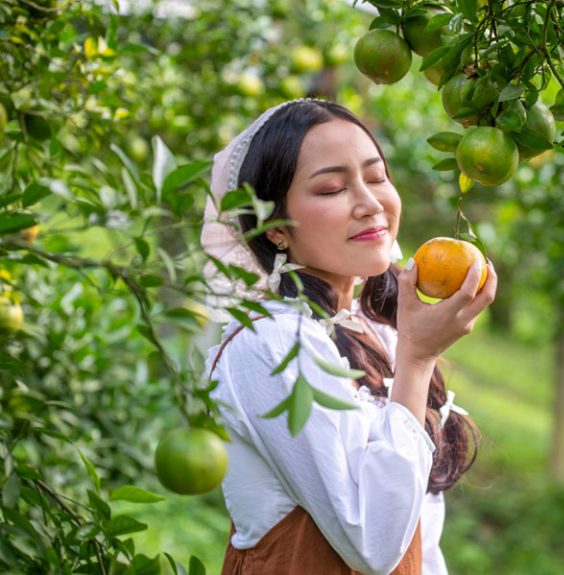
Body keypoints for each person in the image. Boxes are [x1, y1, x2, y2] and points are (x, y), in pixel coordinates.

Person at [201, 98, 497, 575]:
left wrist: (412, 353)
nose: (370, 203)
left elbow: (423, 541)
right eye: (333, 188)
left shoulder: (375, 328)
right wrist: (417, 360)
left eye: (377, 177)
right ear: (275, 227)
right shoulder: (271, 342)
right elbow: (375, 547)